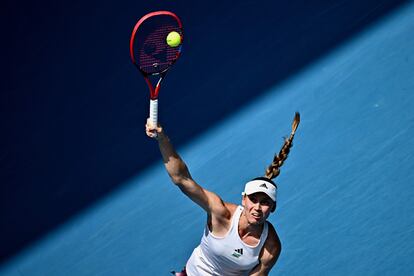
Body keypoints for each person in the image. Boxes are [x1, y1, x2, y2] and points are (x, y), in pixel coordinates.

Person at [145, 113, 300, 276]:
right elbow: (181, 178)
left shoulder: (271, 246)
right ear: (243, 199)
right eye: (253, 200)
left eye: (265, 202)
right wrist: (162, 138)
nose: (257, 208)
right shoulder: (220, 212)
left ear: (273, 208)